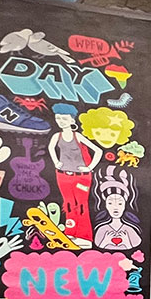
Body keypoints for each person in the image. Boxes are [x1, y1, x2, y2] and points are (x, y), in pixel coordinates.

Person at [48, 103, 102, 244]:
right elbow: (51, 148)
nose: (61, 121)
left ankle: (84, 236)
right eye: (58, 118)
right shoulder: (57, 136)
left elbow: (98, 151)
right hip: (63, 175)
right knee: (69, 204)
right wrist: (56, 162)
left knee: (82, 204)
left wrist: (90, 167)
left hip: (81, 177)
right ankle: (70, 233)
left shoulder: (77, 136)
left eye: (64, 119)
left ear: (72, 120)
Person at [89, 165, 141, 252]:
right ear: (105, 205)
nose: (115, 207)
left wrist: (127, 241)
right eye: (110, 203)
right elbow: (98, 245)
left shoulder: (129, 229)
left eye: (120, 203)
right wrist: (105, 240)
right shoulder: (102, 229)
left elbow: (136, 245)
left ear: (125, 205)